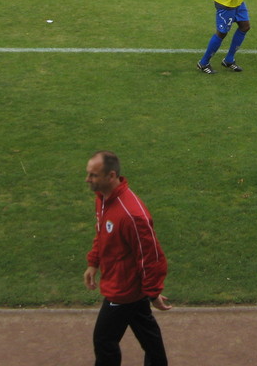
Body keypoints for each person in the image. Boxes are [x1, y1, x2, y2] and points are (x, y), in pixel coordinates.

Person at [84, 151, 171, 366]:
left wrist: (152, 293)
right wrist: (93, 262)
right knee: (149, 337)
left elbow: (150, 256)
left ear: (111, 175)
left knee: (104, 340)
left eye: (93, 175)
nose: (88, 179)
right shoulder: (103, 200)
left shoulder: (132, 215)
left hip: (123, 291)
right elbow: (102, 233)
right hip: (128, 287)